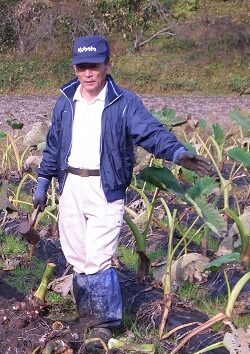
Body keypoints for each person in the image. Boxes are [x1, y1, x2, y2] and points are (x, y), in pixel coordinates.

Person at [33, 35, 209, 338]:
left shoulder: (124, 102)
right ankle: (87, 315)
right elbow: (53, 145)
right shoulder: (65, 101)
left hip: (105, 186)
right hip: (71, 184)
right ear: (74, 68)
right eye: (81, 67)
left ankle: (106, 324)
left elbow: (151, 132)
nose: (88, 74)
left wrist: (177, 153)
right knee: (76, 255)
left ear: (108, 65)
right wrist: (42, 180)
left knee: (99, 256)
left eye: (95, 66)